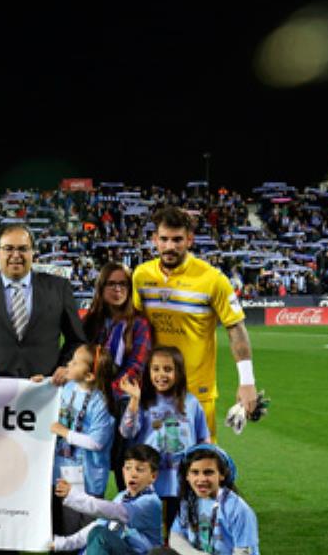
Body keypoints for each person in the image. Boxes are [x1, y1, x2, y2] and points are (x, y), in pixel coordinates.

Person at [0, 224, 86, 555]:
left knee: (53, 477)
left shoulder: (57, 287)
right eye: (8, 249)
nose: (15, 255)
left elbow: (77, 339)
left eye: (23, 249)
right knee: (1, 478)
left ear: (34, 253)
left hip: (45, 399)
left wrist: (63, 367)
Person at [133, 206, 258, 440]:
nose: (170, 247)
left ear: (190, 240)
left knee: (200, 466)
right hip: (152, 389)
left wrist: (247, 382)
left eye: (177, 239)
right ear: (154, 240)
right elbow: (134, 329)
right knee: (151, 466)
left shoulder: (212, 279)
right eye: (164, 239)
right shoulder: (141, 276)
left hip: (196, 392)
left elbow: (236, 328)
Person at [146, 445, 280, 555]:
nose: (201, 479)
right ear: (187, 476)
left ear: (222, 475)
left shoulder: (238, 508)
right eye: (195, 472)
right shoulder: (189, 501)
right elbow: (176, 538)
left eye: (208, 472)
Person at [53, 444, 164, 555]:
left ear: (153, 476)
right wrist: (61, 543)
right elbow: (95, 526)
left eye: (140, 470)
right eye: (128, 468)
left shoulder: (150, 502)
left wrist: (74, 496)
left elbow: (111, 512)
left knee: (101, 535)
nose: (132, 473)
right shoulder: (121, 496)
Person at [119, 346, 210, 530]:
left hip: (181, 480)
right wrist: (135, 399)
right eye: (156, 369)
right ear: (148, 372)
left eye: (168, 369)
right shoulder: (142, 401)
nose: (161, 375)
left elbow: (204, 440)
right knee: (147, 529)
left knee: (178, 529)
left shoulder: (191, 402)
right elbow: (126, 432)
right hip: (149, 479)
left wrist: (203, 471)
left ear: (179, 372)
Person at [49, 343, 117, 555]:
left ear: (89, 374)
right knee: (64, 521)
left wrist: (64, 432)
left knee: (85, 526)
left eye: (75, 362)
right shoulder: (67, 388)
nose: (69, 364)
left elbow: (97, 442)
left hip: (88, 478)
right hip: (62, 470)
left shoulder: (102, 402)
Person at [83, 262, 152, 401]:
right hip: (87, 395)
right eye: (111, 284)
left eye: (123, 284)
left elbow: (136, 366)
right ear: (101, 287)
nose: (118, 289)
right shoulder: (89, 320)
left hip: (123, 400)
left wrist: (106, 393)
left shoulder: (140, 324)